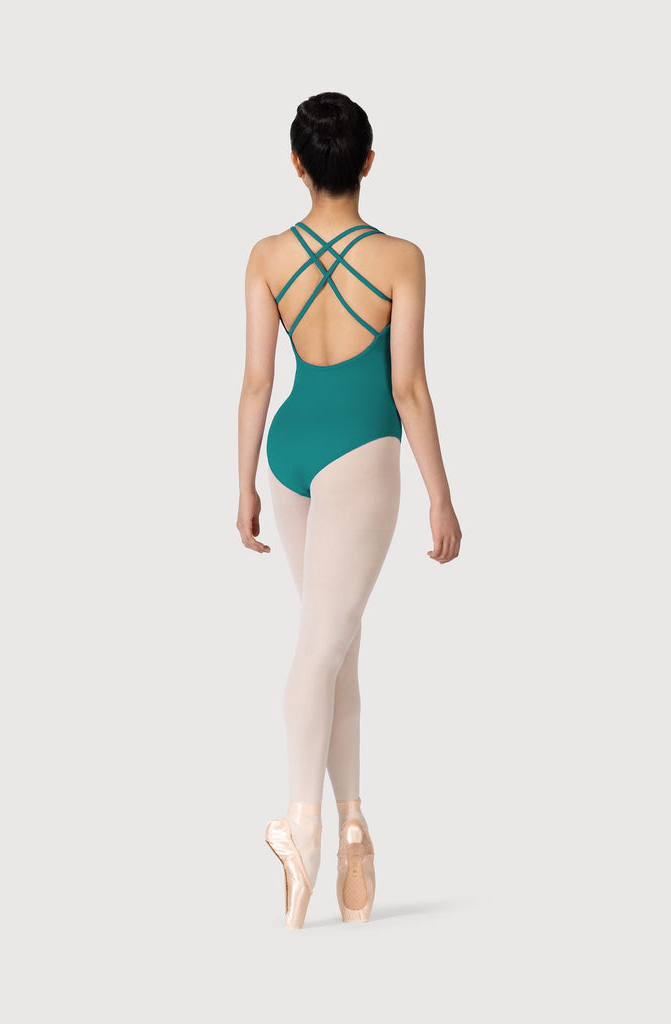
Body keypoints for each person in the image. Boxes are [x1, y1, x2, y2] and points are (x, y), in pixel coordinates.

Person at [237, 92, 462, 929]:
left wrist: (242, 483)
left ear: (297, 166)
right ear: (367, 162)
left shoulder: (266, 255)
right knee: (322, 645)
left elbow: (256, 381)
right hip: (359, 451)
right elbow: (408, 387)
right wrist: (439, 493)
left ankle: (354, 829)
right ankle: (303, 827)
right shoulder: (401, 258)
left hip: (289, 449)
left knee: (337, 645)